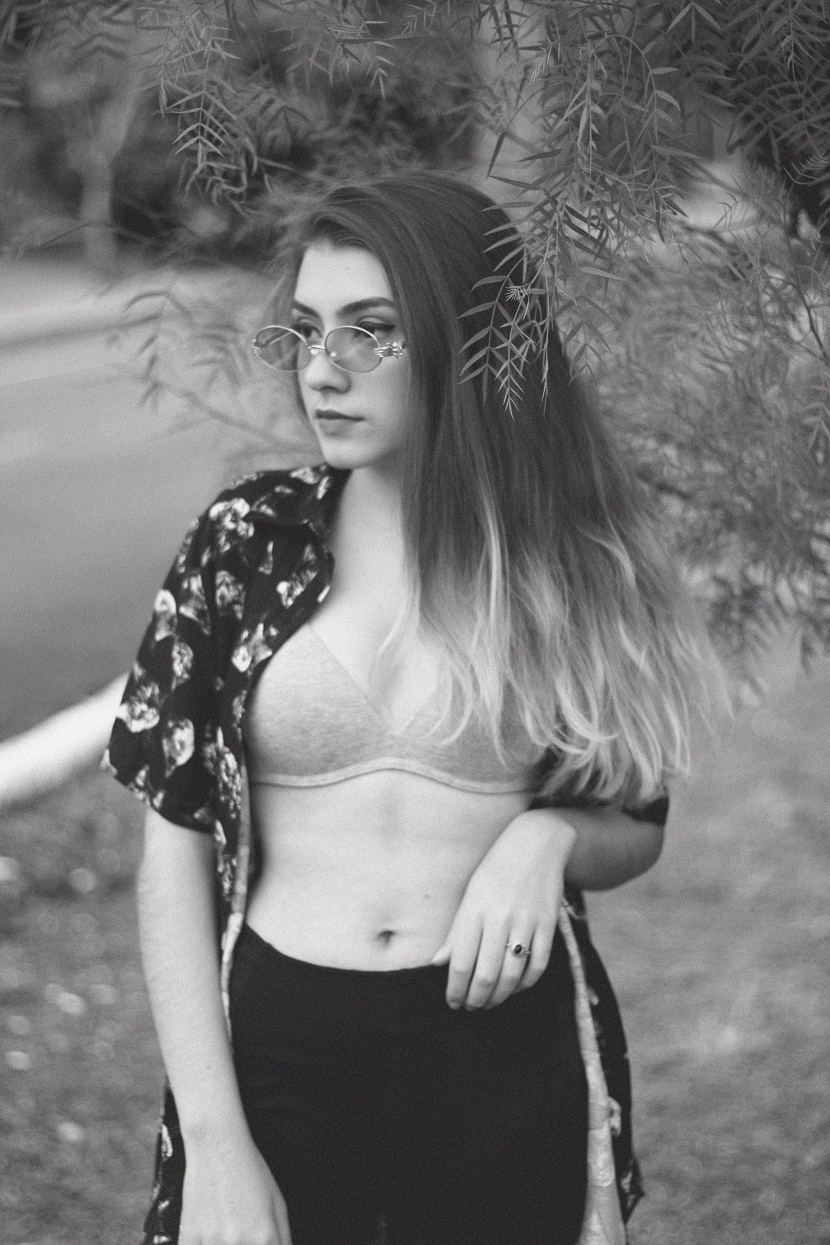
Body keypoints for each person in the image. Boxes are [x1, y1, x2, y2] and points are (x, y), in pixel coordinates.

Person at [104, 171, 710, 1245]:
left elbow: (636, 821)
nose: (321, 370)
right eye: (305, 331)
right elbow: (173, 849)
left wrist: (546, 840)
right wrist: (213, 1138)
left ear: (467, 340)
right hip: (278, 1051)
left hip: (502, 1056)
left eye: (370, 331)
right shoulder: (244, 542)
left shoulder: (570, 564)